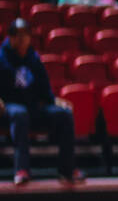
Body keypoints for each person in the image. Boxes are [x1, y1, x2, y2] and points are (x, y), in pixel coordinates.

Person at [0, 18, 83, 185]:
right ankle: (21, 170)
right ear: (11, 37)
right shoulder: (2, 58)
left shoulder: (34, 59)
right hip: (7, 109)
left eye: (25, 35)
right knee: (20, 114)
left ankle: (67, 170)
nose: (22, 39)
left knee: (64, 114)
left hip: (33, 109)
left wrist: (55, 101)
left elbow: (44, 89)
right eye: (18, 35)